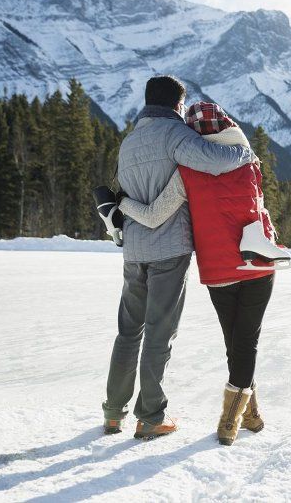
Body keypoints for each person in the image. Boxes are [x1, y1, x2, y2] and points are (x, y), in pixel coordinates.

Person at [101, 77, 256, 441]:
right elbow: (214, 161)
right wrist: (245, 154)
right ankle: (151, 416)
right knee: (159, 332)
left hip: (134, 249)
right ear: (178, 104)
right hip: (168, 248)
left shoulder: (130, 141)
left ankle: (112, 412)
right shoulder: (174, 134)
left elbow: (126, 193)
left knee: (128, 331)